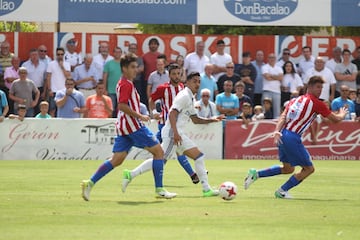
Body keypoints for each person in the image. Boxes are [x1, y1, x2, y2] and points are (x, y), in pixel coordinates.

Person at [81, 53, 176, 201]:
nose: (135, 70)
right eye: (132, 67)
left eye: (136, 67)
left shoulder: (123, 83)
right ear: (124, 68)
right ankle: (159, 189)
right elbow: (122, 106)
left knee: (117, 159)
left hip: (124, 127)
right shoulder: (126, 84)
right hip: (133, 127)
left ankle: (90, 183)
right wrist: (140, 116)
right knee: (159, 152)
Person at [122, 71, 224, 197]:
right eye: (194, 81)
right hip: (172, 133)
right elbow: (172, 113)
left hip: (179, 134)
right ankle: (132, 175)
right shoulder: (184, 96)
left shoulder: (191, 97)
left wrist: (213, 120)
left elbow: (195, 119)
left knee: (199, 157)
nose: (197, 84)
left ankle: (206, 189)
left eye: (199, 82)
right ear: (187, 82)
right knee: (161, 160)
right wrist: (175, 133)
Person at [244, 76, 348, 199]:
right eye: (317, 87)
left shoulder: (295, 100)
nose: (320, 90)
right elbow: (335, 120)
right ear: (309, 87)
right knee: (309, 169)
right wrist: (342, 114)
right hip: (292, 137)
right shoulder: (317, 103)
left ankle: (256, 174)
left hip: (283, 135)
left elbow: (283, 116)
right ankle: (282, 191)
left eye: (322, 87)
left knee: (288, 168)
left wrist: (277, 131)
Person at [125, 64, 199, 189]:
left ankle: (194, 174)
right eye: (174, 74)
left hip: (177, 127)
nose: (176, 76)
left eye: (178, 73)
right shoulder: (163, 88)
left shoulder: (183, 88)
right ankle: (194, 175)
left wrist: (194, 106)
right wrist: (154, 113)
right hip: (166, 126)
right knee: (163, 157)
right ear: (169, 75)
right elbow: (152, 100)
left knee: (173, 153)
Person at [45, 47, 71, 117]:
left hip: (63, 91)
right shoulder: (51, 64)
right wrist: (49, 89)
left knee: (63, 109)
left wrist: (62, 66)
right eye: (58, 54)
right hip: (53, 91)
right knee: (52, 110)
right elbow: (48, 77)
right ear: (56, 55)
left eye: (61, 54)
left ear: (64, 55)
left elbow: (68, 77)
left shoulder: (67, 64)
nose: (60, 56)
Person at [22, 48, 47, 115]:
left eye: (36, 54)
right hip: (28, 89)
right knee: (29, 108)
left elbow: (45, 79)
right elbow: (22, 78)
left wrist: (44, 91)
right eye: (32, 55)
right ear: (29, 56)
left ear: (38, 55)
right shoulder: (25, 65)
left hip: (40, 88)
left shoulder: (43, 65)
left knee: (39, 108)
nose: (34, 56)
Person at [262, 53, 283, 118]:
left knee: (277, 111)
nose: (272, 59)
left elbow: (281, 78)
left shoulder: (279, 68)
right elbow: (267, 77)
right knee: (265, 110)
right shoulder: (264, 67)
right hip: (267, 90)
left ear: (275, 59)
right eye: (270, 58)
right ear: (268, 59)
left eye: (273, 58)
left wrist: (271, 75)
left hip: (277, 91)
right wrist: (276, 77)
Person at [103, 47, 122, 117]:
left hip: (121, 90)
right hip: (111, 91)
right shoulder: (108, 63)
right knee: (111, 109)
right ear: (113, 53)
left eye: (119, 52)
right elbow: (105, 77)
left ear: (121, 53)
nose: (117, 53)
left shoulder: (123, 64)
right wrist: (105, 89)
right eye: (116, 52)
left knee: (121, 109)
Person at [142, 38, 161, 106]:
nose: (153, 46)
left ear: (157, 46)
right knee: (147, 99)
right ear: (149, 46)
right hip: (147, 81)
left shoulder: (160, 56)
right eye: (151, 44)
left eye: (155, 44)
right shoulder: (144, 56)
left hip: (158, 80)